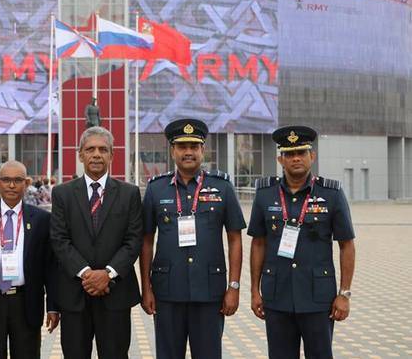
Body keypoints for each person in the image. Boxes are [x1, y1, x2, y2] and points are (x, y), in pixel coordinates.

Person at [139, 119, 246, 358]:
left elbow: (235, 239)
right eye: (182, 146)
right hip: (167, 292)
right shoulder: (156, 189)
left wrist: (234, 287)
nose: (188, 152)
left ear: (203, 150)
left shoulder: (223, 187)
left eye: (194, 146)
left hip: (210, 292)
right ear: (173, 150)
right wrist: (146, 288)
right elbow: (146, 241)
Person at [248, 126, 356, 359]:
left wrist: (344, 294)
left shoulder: (332, 194)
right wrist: (254, 291)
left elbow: (346, 245)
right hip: (277, 296)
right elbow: (258, 243)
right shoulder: (265, 194)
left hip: (318, 298)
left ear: (312, 156)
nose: (295, 158)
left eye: (301, 152)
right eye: (289, 153)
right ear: (280, 159)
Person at [50, 126, 143, 359]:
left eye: (103, 149)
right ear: (80, 154)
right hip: (74, 294)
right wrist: (86, 273)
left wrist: (108, 274)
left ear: (112, 155)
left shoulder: (129, 193)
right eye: (90, 149)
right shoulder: (62, 194)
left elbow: (133, 240)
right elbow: (59, 239)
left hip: (115, 294)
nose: (97, 154)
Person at [0, 160, 59, 358]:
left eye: (18, 180)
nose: (12, 185)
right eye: (6, 180)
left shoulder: (41, 219)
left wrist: (53, 307)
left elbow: (50, 267)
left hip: (26, 302)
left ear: (27, 183)